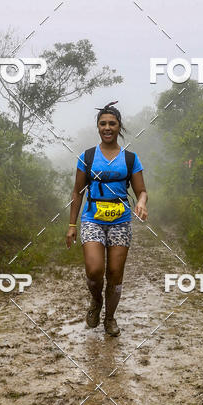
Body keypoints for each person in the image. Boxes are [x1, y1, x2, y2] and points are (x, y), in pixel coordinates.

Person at [66, 101, 148, 336]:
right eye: (103, 123)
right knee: (94, 270)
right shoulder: (87, 157)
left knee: (114, 273)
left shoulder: (130, 159)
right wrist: (72, 225)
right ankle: (96, 302)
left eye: (112, 123)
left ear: (119, 126)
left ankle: (110, 318)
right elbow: (77, 192)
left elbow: (141, 190)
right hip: (92, 219)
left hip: (120, 221)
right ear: (98, 127)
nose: (107, 127)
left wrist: (141, 202)